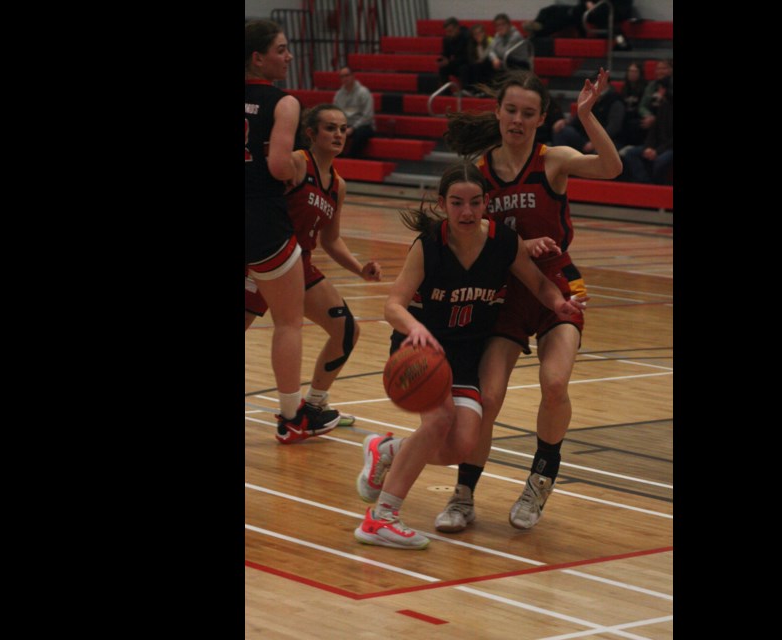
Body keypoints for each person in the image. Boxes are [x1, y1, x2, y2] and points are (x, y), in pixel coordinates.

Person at [352, 162, 587, 549]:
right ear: (443, 203)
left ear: (486, 204)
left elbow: (540, 284)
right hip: (422, 347)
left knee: (459, 446)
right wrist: (416, 328)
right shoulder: (428, 245)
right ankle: (381, 518)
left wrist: (559, 304)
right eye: (457, 203)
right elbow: (393, 306)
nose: (467, 212)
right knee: (439, 419)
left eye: (475, 203)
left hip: (467, 351)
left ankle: (386, 449)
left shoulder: (503, 242)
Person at [434, 69, 622, 532]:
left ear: (540, 119)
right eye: (511, 110)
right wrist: (519, 246)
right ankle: (463, 495)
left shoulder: (553, 160)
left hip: (559, 285)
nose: (517, 120)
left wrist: (585, 114)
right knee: (489, 397)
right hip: (505, 292)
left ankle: (541, 478)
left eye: (528, 113)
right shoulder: (477, 174)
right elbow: (469, 236)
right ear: (498, 112)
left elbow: (612, 167)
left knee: (554, 384)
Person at [245, 103, 383, 431]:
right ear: (311, 133)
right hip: (266, 259)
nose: (338, 134)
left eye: (343, 129)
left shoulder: (338, 185)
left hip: (300, 264)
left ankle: (314, 404)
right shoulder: (295, 162)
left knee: (346, 329)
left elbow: (331, 240)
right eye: (330, 128)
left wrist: (359, 268)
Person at [245, 20, 341, 442]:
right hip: (262, 221)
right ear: (257, 58)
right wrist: (287, 170)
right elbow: (279, 166)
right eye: (281, 50)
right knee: (288, 323)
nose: (287, 56)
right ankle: (291, 419)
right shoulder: (283, 102)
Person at [551, 72, 624, 154]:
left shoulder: (615, 101)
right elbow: (579, 118)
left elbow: (613, 128)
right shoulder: (591, 98)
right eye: (595, 83)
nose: (596, 86)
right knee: (562, 131)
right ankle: (561, 163)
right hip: (586, 137)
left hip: (607, 140)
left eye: (599, 83)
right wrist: (565, 122)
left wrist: (596, 142)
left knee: (600, 152)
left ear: (607, 84)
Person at [619, 75, 672, 184]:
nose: (658, 92)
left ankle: (658, 187)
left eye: (660, 89)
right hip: (657, 146)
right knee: (630, 153)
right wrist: (649, 147)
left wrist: (657, 151)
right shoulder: (663, 106)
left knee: (660, 161)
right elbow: (653, 132)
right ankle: (644, 183)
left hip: (668, 147)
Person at [333, 66, 375, 159]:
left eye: (347, 75)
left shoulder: (363, 92)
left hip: (363, 125)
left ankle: (352, 159)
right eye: (342, 76)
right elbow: (335, 113)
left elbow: (367, 116)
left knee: (360, 134)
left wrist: (353, 128)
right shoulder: (339, 95)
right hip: (345, 124)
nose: (345, 79)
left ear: (353, 76)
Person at [437, 17, 473, 90]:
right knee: (443, 68)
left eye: (450, 31)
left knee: (464, 69)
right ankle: (445, 92)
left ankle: (466, 91)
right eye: (446, 32)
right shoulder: (447, 39)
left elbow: (467, 57)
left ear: (457, 28)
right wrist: (442, 60)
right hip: (455, 63)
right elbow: (446, 53)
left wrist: (449, 62)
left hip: (468, 64)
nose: (448, 34)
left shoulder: (467, 36)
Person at [638, 59, 673, 132]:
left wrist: (656, 119)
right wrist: (649, 116)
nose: (660, 71)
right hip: (651, 117)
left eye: (664, 68)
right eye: (658, 69)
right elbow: (642, 106)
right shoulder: (651, 86)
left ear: (671, 70)